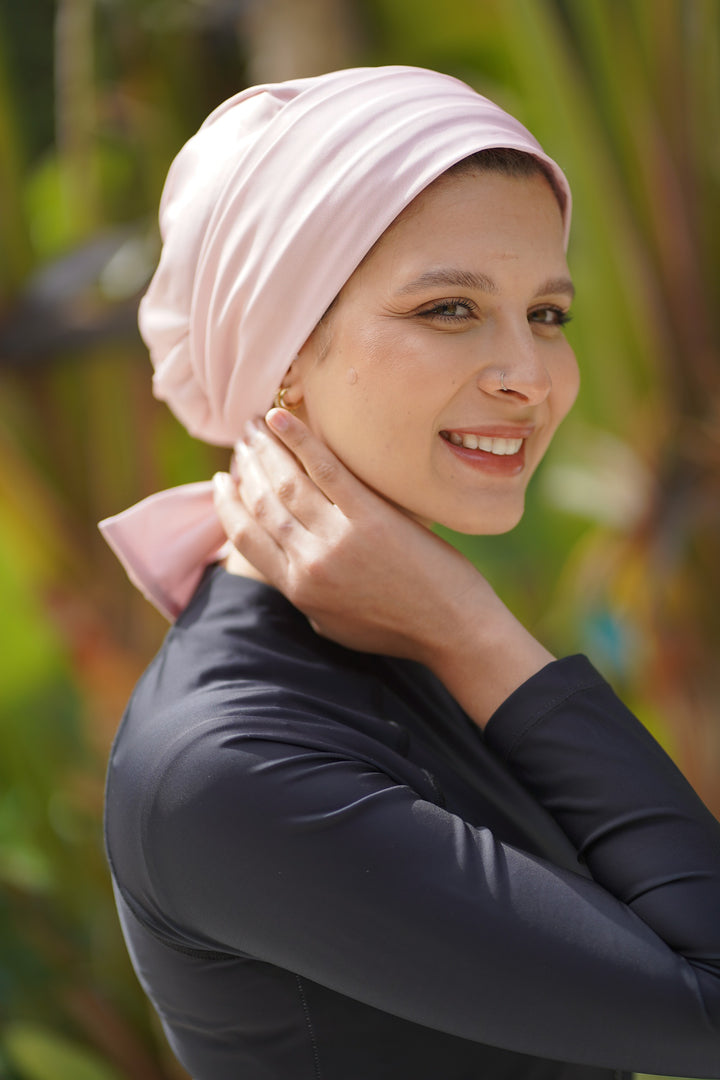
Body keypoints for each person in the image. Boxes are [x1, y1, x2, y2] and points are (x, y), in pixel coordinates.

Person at [100, 67, 720, 1080]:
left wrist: (454, 628)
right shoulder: (225, 766)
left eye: (548, 314)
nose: (530, 377)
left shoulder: (385, 626)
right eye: (449, 308)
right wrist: (473, 629)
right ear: (282, 353)